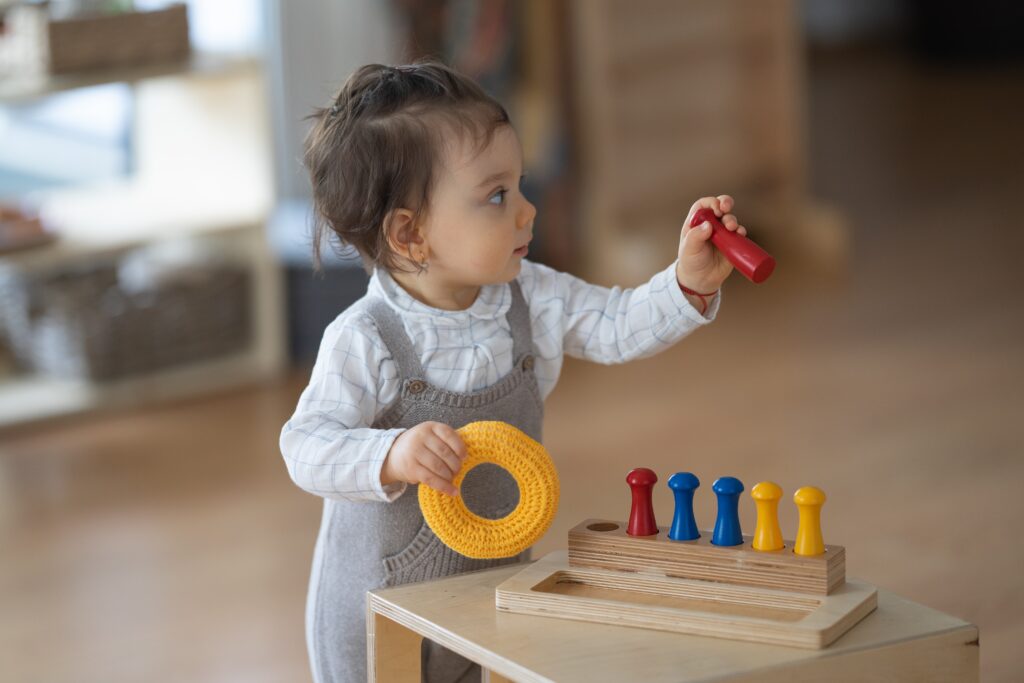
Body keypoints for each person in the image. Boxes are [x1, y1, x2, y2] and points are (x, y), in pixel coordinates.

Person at [280, 61, 748, 683]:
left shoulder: (531, 296)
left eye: (520, 186)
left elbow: (615, 324)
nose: (528, 211)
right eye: (497, 196)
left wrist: (686, 284)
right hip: (380, 613)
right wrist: (390, 454)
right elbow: (305, 446)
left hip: (493, 594)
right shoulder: (366, 340)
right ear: (410, 233)